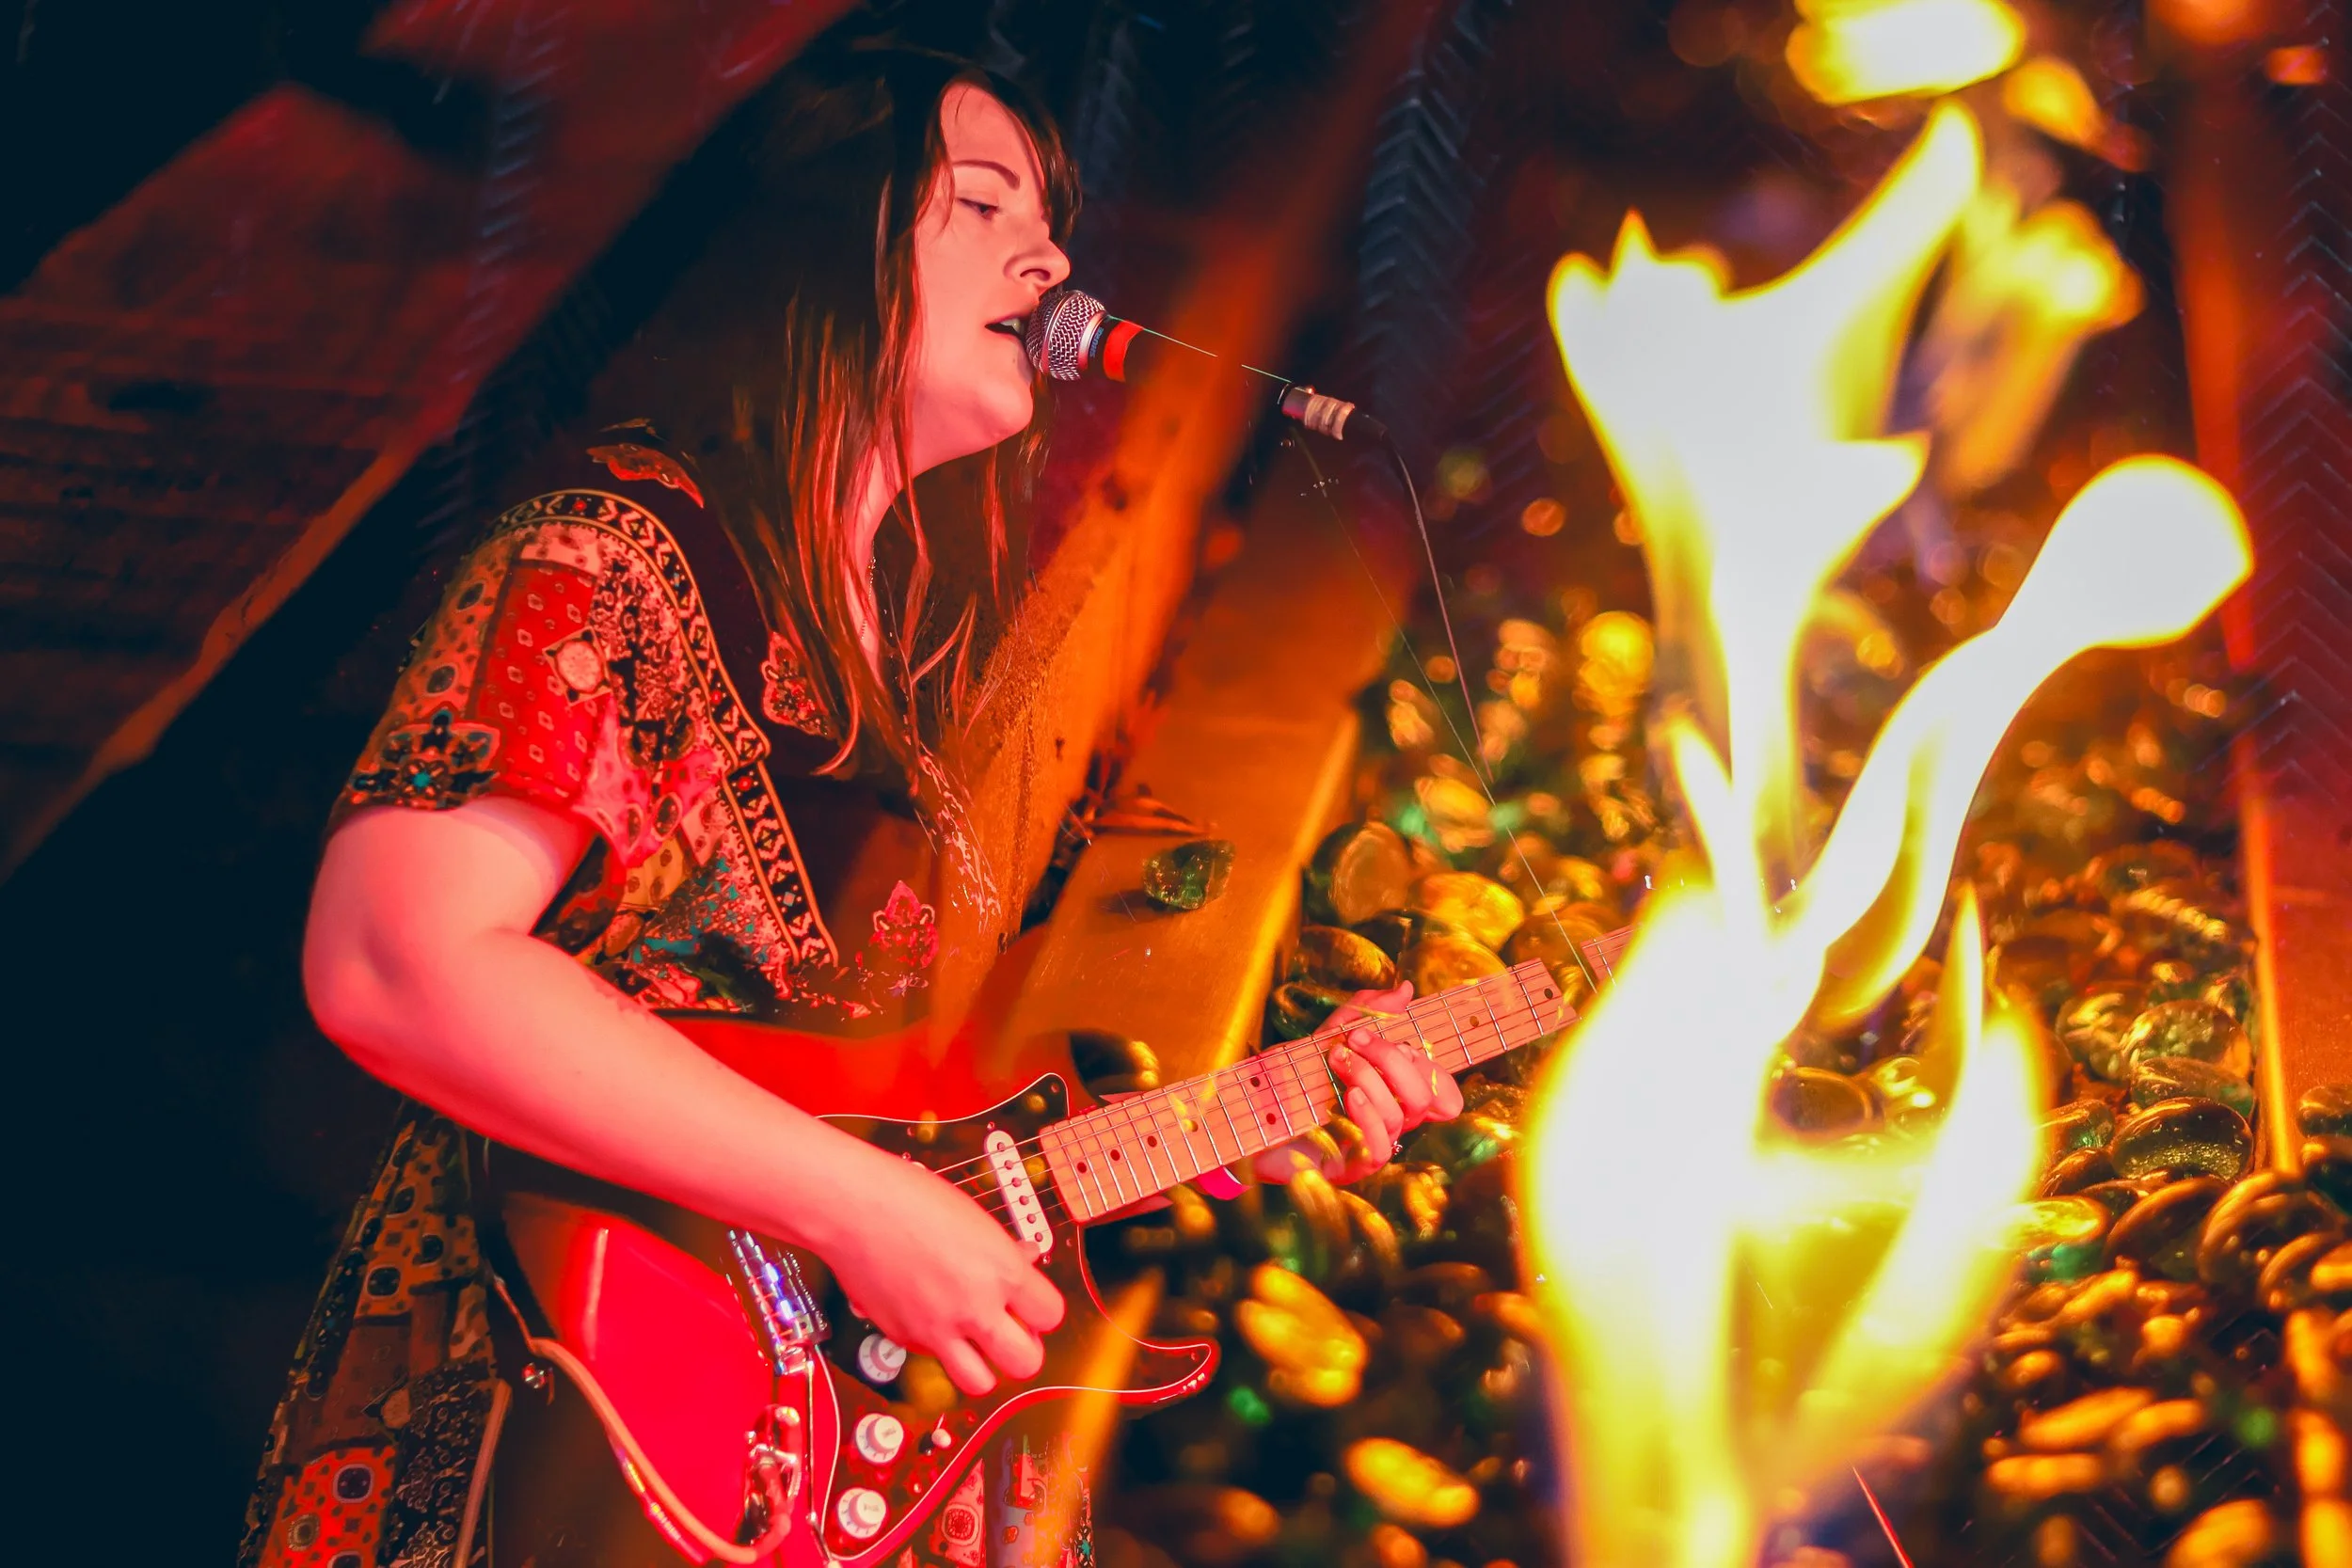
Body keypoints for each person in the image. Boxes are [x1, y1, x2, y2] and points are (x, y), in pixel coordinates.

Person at [241, 41, 1462, 1568]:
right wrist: (860, 1213)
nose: (1054, 253)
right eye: (980, 201)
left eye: (1049, 210)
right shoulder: (606, 557)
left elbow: (925, 1139)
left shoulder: (895, 650)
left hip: (809, 1464)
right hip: (575, 1429)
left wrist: (1251, 1118)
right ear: (827, 244)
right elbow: (397, 958)